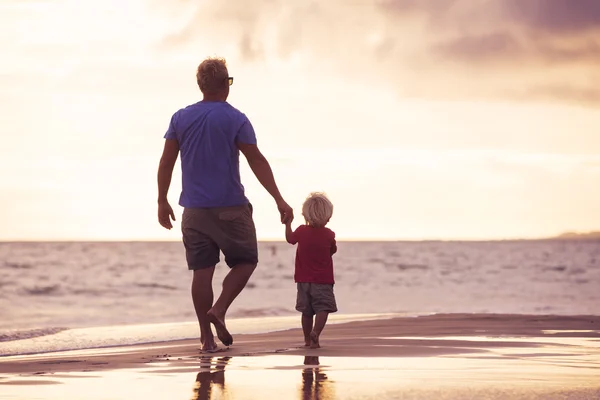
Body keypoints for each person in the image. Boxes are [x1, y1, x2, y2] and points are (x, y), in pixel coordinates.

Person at [157, 57, 293, 352]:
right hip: (230, 207)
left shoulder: (180, 118)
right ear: (224, 85)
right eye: (229, 81)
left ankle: (206, 339)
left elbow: (167, 162)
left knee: (201, 272)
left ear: (201, 86)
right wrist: (278, 199)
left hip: (193, 210)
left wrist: (161, 199)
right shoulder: (235, 118)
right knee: (246, 261)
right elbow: (255, 160)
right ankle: (219, 309)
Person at [285, 192, 337, 349]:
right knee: (323, 307)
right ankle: (316, 333)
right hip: (323, 280)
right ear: (327, 216)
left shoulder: (301, 231)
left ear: (305, 214)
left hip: (302, 280)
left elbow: (290, 239)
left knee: (306, 312)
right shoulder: (329, 234)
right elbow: (332, 251)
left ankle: (307, 340)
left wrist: (287, 224)